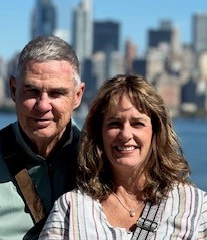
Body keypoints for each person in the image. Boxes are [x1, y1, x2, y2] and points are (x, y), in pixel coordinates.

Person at [39, 73, 207, 239]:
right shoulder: (71, 208)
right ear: (100, 133)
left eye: (137, 124)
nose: (126, 134)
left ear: (156, 132)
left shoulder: (195, 207)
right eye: (114, 124)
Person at [0, 35, 85, 240]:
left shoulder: (105, 162)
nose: (42, 105)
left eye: (56, 93)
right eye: (32, 91)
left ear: (77, 96)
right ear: (13, 89)